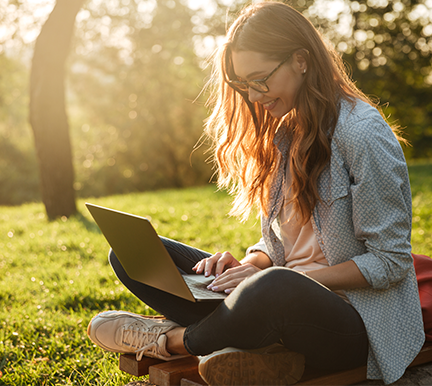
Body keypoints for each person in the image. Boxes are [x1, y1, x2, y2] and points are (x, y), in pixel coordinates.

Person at [86, 2, 425, 385]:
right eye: (242, 84)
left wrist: (283, 276)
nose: (252, 96)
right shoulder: (287, 130)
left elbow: (390, 262)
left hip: (355, 325)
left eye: (260, 79)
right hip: (282, 296)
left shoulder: (362, 133)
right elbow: (285, 243)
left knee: (275, 287)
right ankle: (250, 341)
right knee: (134, 254)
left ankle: (175, 340)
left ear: (301, 60)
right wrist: (254, 263)